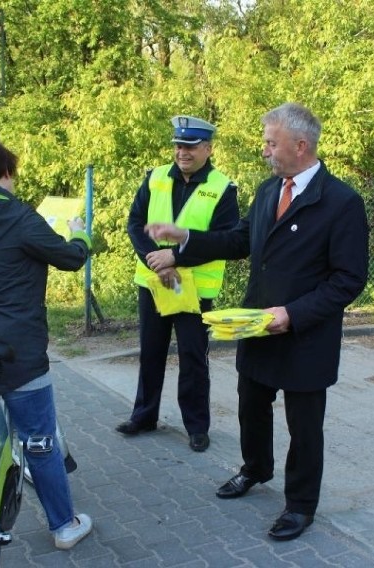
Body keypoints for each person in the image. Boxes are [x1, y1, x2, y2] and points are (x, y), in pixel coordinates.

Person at [145, 103, 369, 541]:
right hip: (256, 327)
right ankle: (255, 469)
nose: (264, 149)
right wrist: (185, 238)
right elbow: (239, 240)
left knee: (304, 425)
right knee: (251, 404)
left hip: (305, 334)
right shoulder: (269, 190)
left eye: (271, 142)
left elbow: (348, 280)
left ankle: (300, 505)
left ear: (300, 145)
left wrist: (293, 314)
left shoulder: (342, 202)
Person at [0, 139, 93, 550]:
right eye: (13, 172)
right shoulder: (18, 215)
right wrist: (80, 235)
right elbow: (69, 258)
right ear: (4, 173)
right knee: (39, 439)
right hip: (18, 349)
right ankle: (64, 526)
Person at [117, 115, 241, 452]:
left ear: (208, 148)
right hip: (155, 283)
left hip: (195, 289)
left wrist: (176, 257)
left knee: (193, 358)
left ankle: (197, 427)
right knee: (151, 352)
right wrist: (154, 260)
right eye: (178, 145)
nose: (182, 152)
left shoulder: (222, 187)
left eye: (190, 146)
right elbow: (135, 223)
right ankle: (144, 416)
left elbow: (226, 241)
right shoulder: (155, 177)